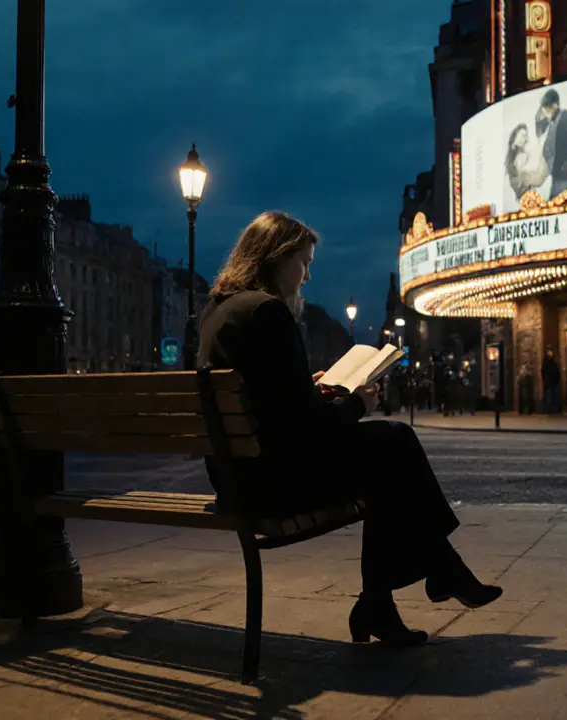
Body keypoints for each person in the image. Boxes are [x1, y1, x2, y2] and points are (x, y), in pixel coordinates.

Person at [198, 211, 502, 646]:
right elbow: (306, 431)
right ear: (277, 257)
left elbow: (268, 402)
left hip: (237, 476)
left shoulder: (221, 311)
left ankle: (402, 592)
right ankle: (432, 573)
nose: (306, 275)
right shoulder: (269, 313)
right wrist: (356, 402)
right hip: (272, 485)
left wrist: (311, 389)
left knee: (387, 459)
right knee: (395, 444)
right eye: (303, 262)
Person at [536, 88, 567, 199]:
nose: (546, 114)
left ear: (554, 106)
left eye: (547, 110)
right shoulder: (553, 123)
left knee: (563, 206)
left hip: (564, 176)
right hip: (556, 176)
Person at [504, 123, 549, 200]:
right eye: (523, 135)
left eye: (526, 136)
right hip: (524, 196)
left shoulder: (519, 151)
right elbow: (538, 179)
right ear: (515, 134)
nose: (525, 139)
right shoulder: (519, 156)